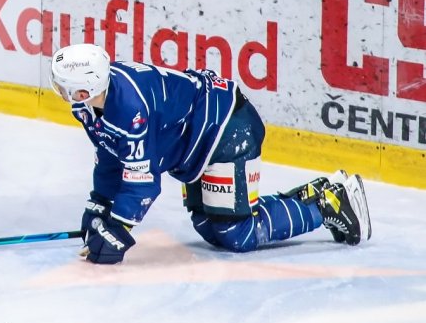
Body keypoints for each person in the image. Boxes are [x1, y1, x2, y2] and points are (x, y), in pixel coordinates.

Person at [49, 43, 372, 265]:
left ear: (84, 89)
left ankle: (329, 202)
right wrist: (99, 203)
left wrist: (118, 228)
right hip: (197, 141)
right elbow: (110, 154)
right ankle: (309, 197)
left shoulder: (130, 110)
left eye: (63, 86)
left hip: (226, 131)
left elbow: (143, 182)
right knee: (208, 226)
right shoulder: (90, 105)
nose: (59, 90)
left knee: (236, 234)